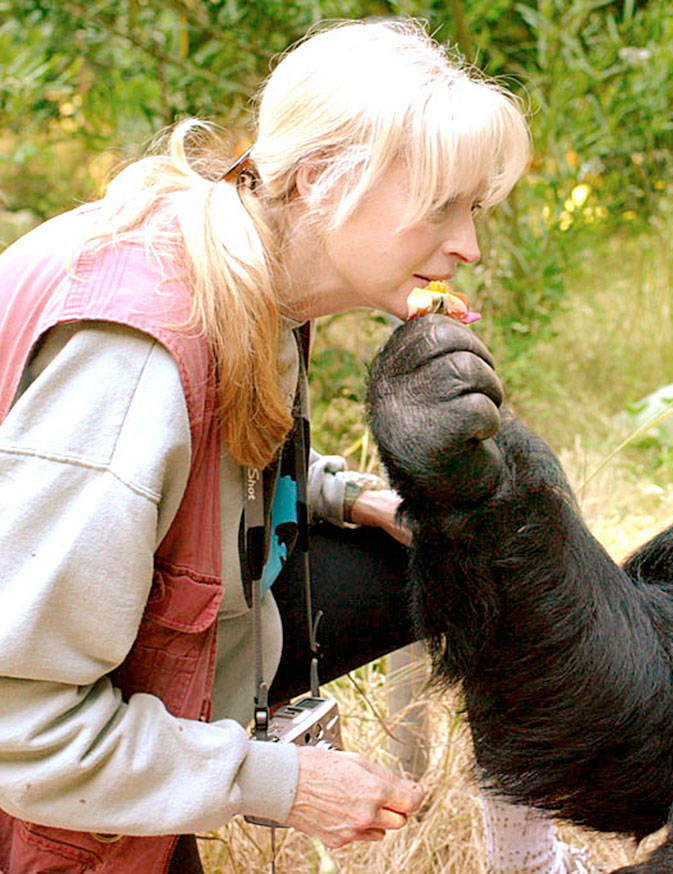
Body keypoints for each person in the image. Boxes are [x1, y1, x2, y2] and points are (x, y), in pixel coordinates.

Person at [0, 18, 551, 873]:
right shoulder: (136, 359)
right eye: (441, 205)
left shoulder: (247, 270)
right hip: (33, 780)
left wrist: (342, 491)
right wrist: (285, 782)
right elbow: (19, 726)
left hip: (94, 686)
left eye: (472, 208)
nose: (466, 246)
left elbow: (195, 468)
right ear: (324, 178)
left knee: (451, 554)